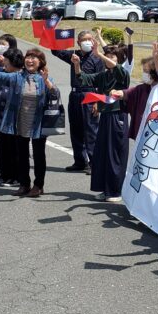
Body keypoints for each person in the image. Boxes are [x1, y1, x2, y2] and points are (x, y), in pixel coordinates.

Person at [0, 48, 56, 197]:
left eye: (34, 58)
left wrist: (46, 81)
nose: (30, 60)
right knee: (21, 154)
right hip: (20, 121)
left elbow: (55, 94)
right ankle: (24, 185)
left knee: (39, 155)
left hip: (39, 123)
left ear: (40, 62)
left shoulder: (45, 78)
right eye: (28, 57)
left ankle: (38, 186)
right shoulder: (18, 76)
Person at [74, 47, 130, 202]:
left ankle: (116, 191)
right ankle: (106, 189)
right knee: (103, 152)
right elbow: (83, 78)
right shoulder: (103, 75)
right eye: (107, 56)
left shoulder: (123, 73)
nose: (109, 59)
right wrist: (77, 65)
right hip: (105, 115)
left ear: (119, 60)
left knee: (114, 153)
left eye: (113, 57)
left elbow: (118, 69)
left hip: (117, 115)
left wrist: (99, 54)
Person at [52, 29, 104, 174]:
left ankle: (95, 163)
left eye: (90, 39)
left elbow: (101, 81)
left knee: (91, 130)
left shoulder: (97, 57)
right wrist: (53, 34)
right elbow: (56, 51)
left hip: (90, 94)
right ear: (78, 42)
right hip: (75, 94)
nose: (88, 42)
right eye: (84, 40)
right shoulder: (74, 55)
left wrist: (98, 102)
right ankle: (80, 162)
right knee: (76, 129)